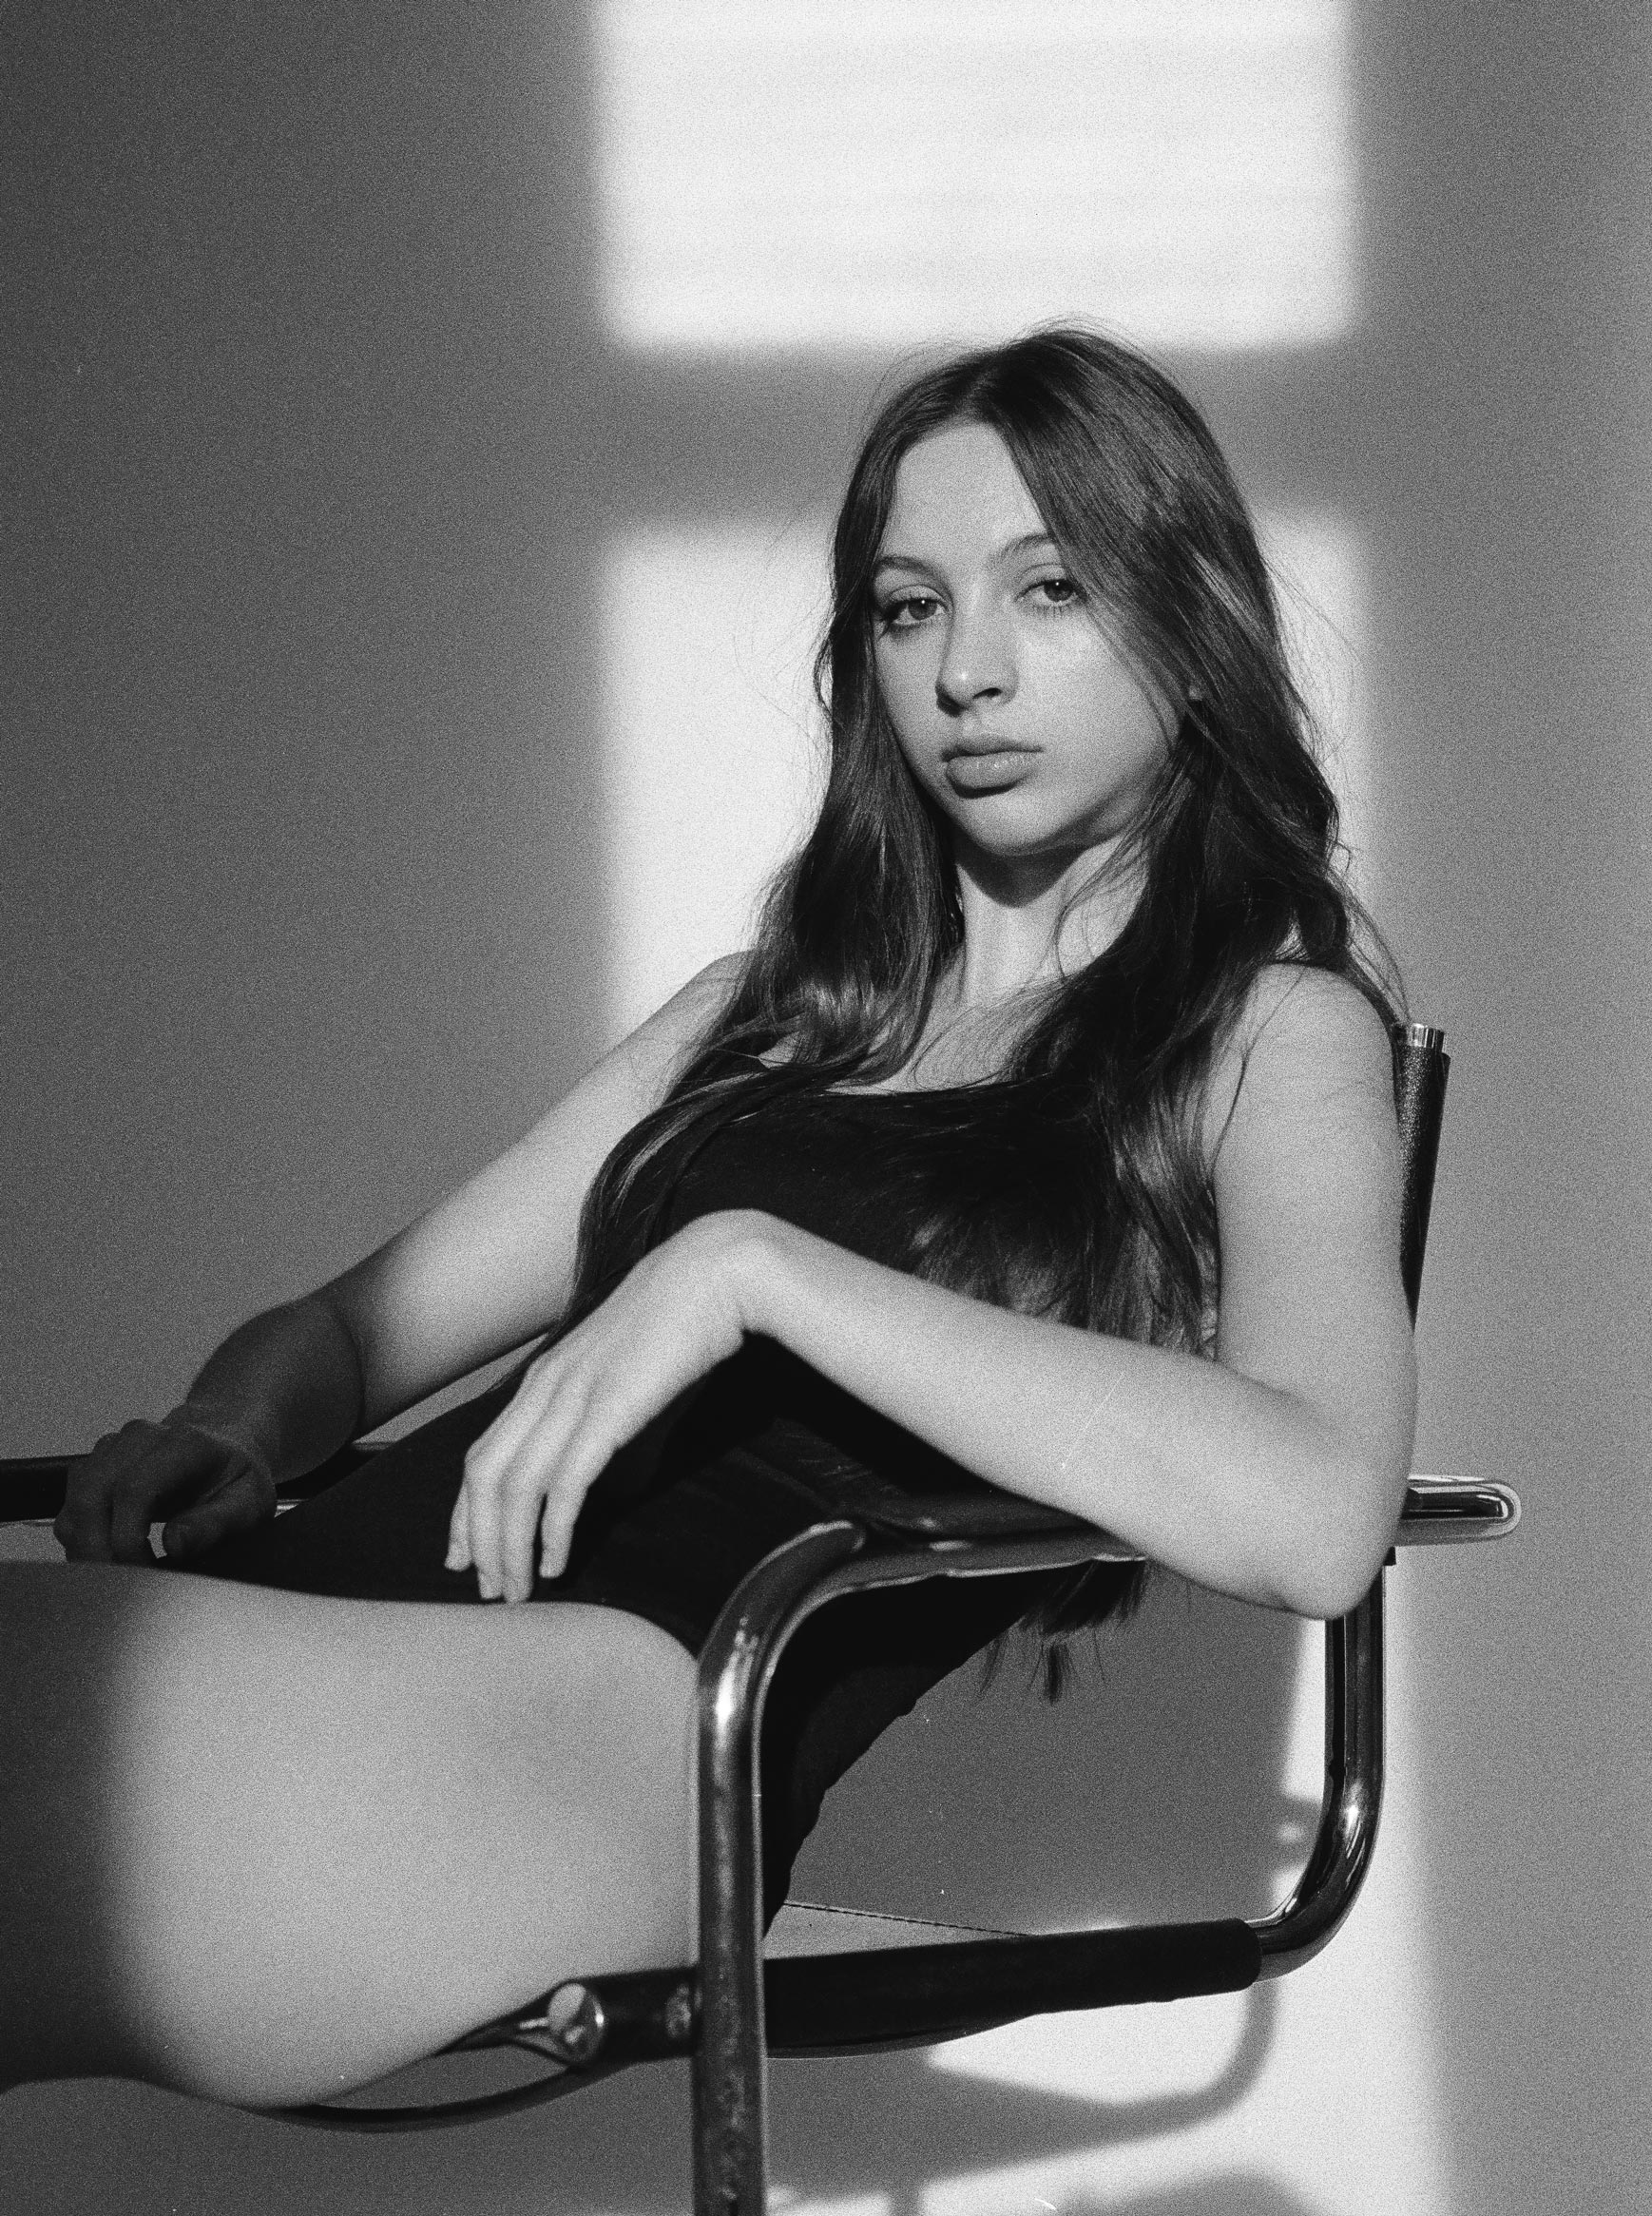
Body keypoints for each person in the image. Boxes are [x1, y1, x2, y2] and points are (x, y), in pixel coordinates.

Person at [4, 327, 1415, 2110]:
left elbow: (1316, 1514)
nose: (966, 671)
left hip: (609, 1729)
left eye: (1048, 589)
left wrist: (759, 1275)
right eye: (908, 608)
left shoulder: (1268, 1033)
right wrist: (232, 1422)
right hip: (299, 1624)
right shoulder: (769, 1010)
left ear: (1189, 623)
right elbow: (355, 1334)